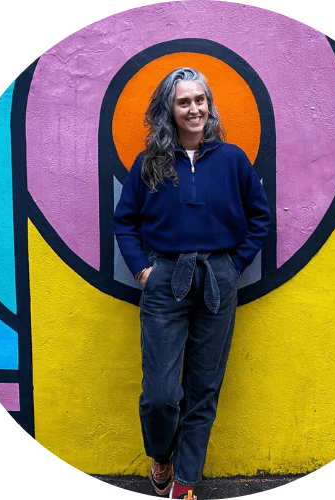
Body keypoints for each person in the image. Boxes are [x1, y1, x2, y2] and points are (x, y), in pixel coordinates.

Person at [112, 67, 271, 500]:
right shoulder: (149, 163)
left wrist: (234, 265)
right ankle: (161, 456)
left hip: (219, 279)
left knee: (204, 390)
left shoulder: (233, 160)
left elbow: (260, 217)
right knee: (161, 394)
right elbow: (125, 221)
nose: (194, 109)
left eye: (200, 100)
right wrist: (143, 270)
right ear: (170, 109)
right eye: (184, 102)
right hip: (165, 280)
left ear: (209, 105)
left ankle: (184, 484)